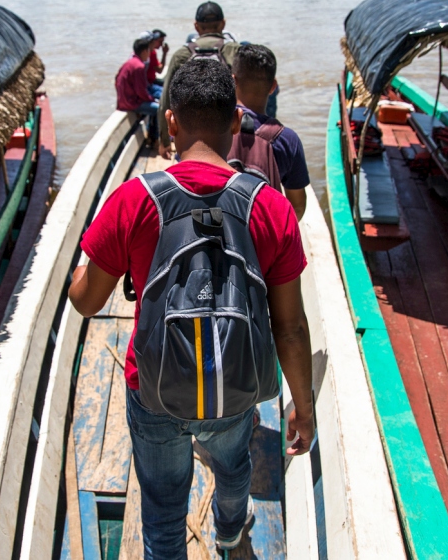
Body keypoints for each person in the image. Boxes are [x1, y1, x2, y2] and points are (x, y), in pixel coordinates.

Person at [69, 60, 314, 556]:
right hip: (236, 383)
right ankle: (229, 533)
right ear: (236, 123)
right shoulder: (271, 206)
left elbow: (86, 302)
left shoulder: (133, 200)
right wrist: (303, 408)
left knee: (162, 504)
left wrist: (87, 260)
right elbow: (290, 328)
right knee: (232, 467)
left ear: (171, 121)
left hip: (156, 390)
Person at [230, 44, 310, 220]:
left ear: (233, 81)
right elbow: (297, 205)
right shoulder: (287, 139)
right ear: (273, 87)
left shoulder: (211, 126)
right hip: (263, 238)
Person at [157, 1, 241, 159]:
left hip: (188, 142)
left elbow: (165, 102)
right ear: (223, 24)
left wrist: (164, 141)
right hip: (229, 138)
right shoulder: (235, 52)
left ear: (196, 26)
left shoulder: (181, 55)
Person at [116, 36, 158, 142]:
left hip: (123, 101)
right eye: (148, 51)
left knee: (155, 105)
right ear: (144, 51)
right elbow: (141, 91)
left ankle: (151, 136)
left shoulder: (129, 62)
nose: (149, 54)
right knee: (159, 109)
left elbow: (116, 79)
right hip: (131, 103)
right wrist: (151, 99)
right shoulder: (139, 66)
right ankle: (154, 138)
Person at [146, 29, 168, 98]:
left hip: (152, 80)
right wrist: (164, 53)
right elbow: (160, 70)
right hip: (149, 83)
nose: (161, 45)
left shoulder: (152, 52)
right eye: (160, 42)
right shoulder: (151, 53)